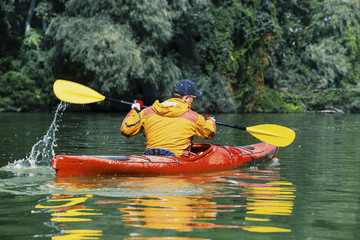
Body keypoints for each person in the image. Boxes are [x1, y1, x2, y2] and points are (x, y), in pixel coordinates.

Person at [120, 79, 216, 157]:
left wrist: (135, 110)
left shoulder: (148, 111)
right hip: (177, 160)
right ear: (186, 98)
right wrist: (210, 119)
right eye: (193, 98)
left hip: (150, 156)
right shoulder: (194, 117)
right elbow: (209, 133)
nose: (193, 101)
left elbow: (126, 129)